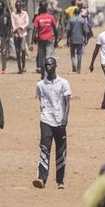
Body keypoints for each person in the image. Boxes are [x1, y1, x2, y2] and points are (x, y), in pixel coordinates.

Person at [33, 57, 71, 189]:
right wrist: (44, 114)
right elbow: (41, 101)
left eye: (50, 64)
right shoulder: (40, 85)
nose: (48, 67)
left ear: (55, 66)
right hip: (46, 120)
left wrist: (65, 118)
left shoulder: (64, 83)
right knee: (44, 148)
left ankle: (60, 181)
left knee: (61, 150)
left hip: (60, 121)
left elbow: (67, 102)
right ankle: (41, 178)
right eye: (46, 65)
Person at [33, 2, 58, 78]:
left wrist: (34, 39)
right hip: (49, 40)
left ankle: (43, 75)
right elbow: (55, 29)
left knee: (42, 58)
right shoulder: (51, 17)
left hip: (41, 40)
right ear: (46, 9)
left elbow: (35, 30)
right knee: (48, 57)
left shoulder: (38, 18)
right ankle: (48, 74)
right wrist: (56, 40)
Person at [66, 8, 88, 74]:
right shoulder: (82, 20)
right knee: (79, 54)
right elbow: (85, 31)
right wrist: (85, 39)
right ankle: (78, 69)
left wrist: (67, 39)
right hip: (80, 39)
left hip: (72, 39)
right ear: (79, 13)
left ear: (74, 13)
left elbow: (68, 30)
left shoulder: (71, 20)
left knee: (72, 53)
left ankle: (73, 64)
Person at [11, 1, 30, 74]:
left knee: (23, 49)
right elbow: (13, 23)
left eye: (19, 6)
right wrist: (16, 29)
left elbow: (27, 23)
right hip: (16, 34)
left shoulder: (25, 13)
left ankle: (23, 66)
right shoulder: (13, 14)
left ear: (21, 6)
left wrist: (21, 28)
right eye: (17, 6)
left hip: (23, 34)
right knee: (17, 51)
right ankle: (19, 68)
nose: (18, 7)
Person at [0, 4, 12, 74]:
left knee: (4, 52)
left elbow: (9, 26)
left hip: (5, 35)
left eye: (1, 7)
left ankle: (4, 67)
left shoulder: (7, 15)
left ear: (3, 7)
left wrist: (8, 35)